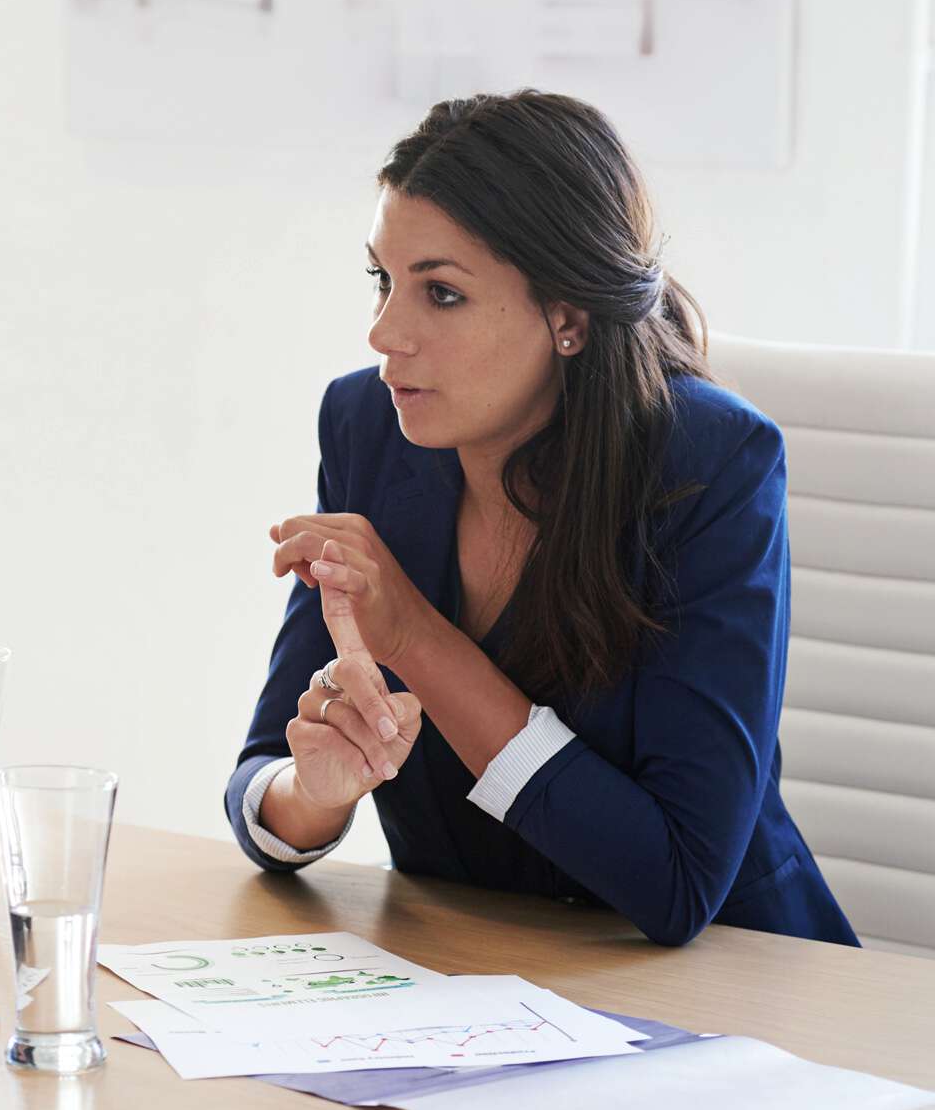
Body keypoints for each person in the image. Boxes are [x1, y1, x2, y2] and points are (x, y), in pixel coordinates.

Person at [226, 90, 856, 949]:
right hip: (470, 982)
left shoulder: (712, 465)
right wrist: (320, 791)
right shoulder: (367, 427)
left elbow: (676, 884)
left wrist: (416, 637)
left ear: (567, 317)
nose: (383, 333)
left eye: (440, 293)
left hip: (729, 991)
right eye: (383, 280)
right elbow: (264, 773)